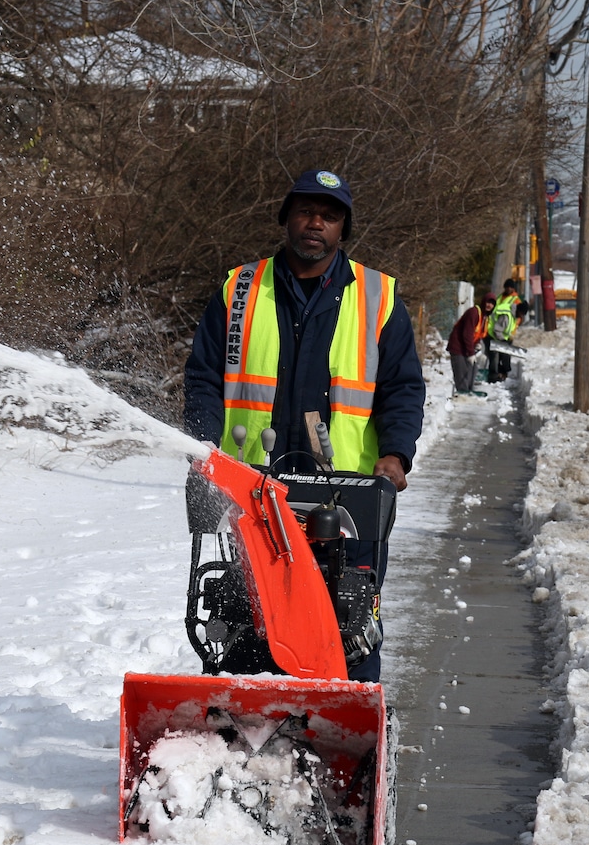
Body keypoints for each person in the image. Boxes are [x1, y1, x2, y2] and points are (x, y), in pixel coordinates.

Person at [183, 169, 427, 681]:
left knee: (347, 618)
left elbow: (402, 388)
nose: (315, 223)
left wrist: (395, 454)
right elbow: (204, 376)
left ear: (343, 228)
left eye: (329, 215)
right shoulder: (239, 289)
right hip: (253, 488)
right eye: (305, 211)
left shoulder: (378, 297)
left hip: (349, 496)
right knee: (245, 613)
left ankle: (349, 725)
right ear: (286, 219)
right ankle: (244, 716)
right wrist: (203, 440)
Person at [447, 292, 494, 396]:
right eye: (488, 302)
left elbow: (477, 334)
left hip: (467, 348)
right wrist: (471, 353)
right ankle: (462, 397)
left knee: (471, 373)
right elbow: (467, 334)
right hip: (458, 347)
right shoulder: (474, 313)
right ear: (483, 302)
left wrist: (477, 344)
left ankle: (468, 394)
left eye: (492, 303)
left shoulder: (485, 318)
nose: (489, 305)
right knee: (462, 375)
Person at [487, 279, 521, 382]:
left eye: (510, 287)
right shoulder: (499, 298)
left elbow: (518, 317)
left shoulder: (516, 300)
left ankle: (504, 373)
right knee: (494, 354)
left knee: (504, 354)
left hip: (506, 332)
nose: (508, 289)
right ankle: (496, 374)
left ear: (513, 288)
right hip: (495, 331)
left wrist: (513, 329)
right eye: (506, 287)